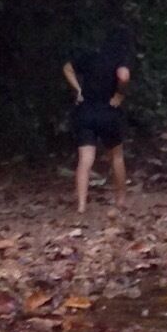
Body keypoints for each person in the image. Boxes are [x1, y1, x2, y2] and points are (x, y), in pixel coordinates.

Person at [63, 32, 129, 220]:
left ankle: (82, 205)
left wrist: (78, 90)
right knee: (116, 157)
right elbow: (124, 76)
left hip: (85, 111)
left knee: (85, 159)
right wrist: (120, 95)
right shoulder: (119, 58)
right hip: (108, 112)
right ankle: (121, 199)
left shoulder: (89, 56)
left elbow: (67, 68)